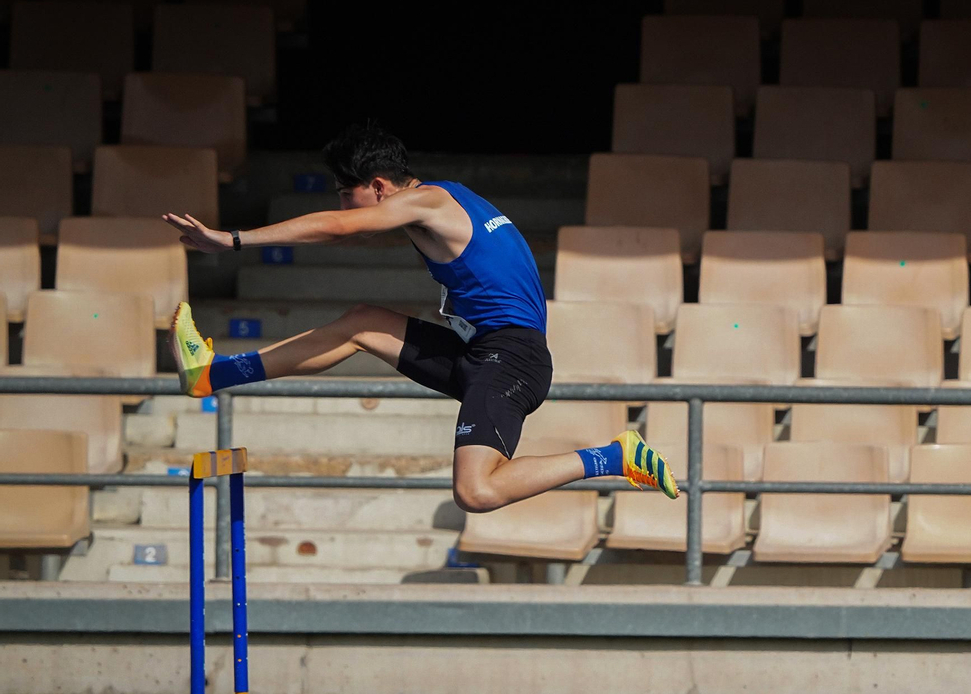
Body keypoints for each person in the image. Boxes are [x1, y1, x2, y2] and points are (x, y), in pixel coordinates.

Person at [161, 120, 677, 514]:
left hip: (510, 359)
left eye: (348, 192)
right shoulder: (448, 197)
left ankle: (613, 457)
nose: (344, 204)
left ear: (381, 187)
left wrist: (231, 240)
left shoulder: (428, 201)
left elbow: (340, 228)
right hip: (483, 352)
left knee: (475, 491)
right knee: (361, 323)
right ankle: (213, 374)